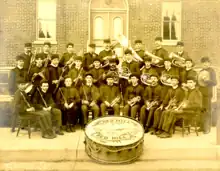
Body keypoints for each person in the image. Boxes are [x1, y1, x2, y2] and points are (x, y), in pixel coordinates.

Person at [198, 57, 217, 133]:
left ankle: (207, 128)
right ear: (202, 64)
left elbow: (215, 82)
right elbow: (199, 82)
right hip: (201, 93)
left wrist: (207, 80)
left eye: (207, 62)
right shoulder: (201, 71)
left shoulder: (212, 71)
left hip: (208, 93)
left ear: (209, 63)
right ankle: (202, 127)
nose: (205, 64)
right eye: (203, 63)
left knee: (207, 111)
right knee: (202, 110)